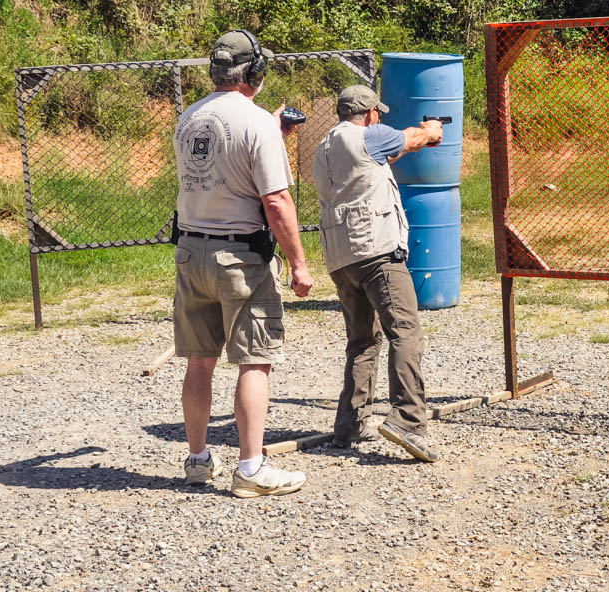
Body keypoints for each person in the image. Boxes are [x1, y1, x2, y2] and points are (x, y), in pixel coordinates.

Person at [172, 29, 313, 497]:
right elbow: (275, 200)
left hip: (192, 249)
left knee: (199, 361)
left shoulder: (188, 118)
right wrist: (299, 263)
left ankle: (197, 460)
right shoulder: (256, 124)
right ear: (254, 72)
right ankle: (250, 468)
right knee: (255, 360)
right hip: (241, 256)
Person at [311, 85, 444, 462]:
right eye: (378, 113)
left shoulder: (324, 147)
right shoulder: (370, 136)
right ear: (369, 113)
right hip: (377, 252)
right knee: (405, 331)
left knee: (362, 342)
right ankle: (407, 419)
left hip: (340, 255)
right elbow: (415, 139)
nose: (380, 118)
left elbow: (386, 155)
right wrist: (432, 130)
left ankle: (350, 425)